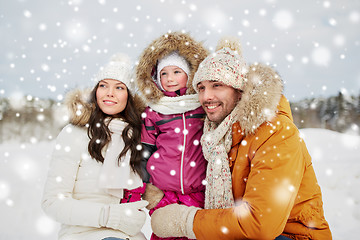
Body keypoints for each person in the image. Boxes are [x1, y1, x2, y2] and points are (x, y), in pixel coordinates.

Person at [148, 37, 332, 239]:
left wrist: (185, 221)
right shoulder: (216, 136)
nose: (206, 97)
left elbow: (260, 224)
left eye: (217, 85)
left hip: (291, 236)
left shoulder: (276, 132)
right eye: (201, 88)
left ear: (239, 90)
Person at [41, 53, 149, 240]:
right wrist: (108, 216)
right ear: (95, 91)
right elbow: (52, 202)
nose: (110, 93)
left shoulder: (137, 137)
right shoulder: (75, 134)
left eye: (119, 87)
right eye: (103, 85)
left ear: (128, 97)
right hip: (82, 234)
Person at [135, 31, 209, 240]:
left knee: (198, 234)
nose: (170, 79)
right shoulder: (154, 110)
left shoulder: (202, 106)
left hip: (199, 191)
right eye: (164, 74)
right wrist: (148, 189)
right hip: (164, 192)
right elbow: (145, 151)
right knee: (166, 234)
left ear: (190, 74)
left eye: (176, 72)